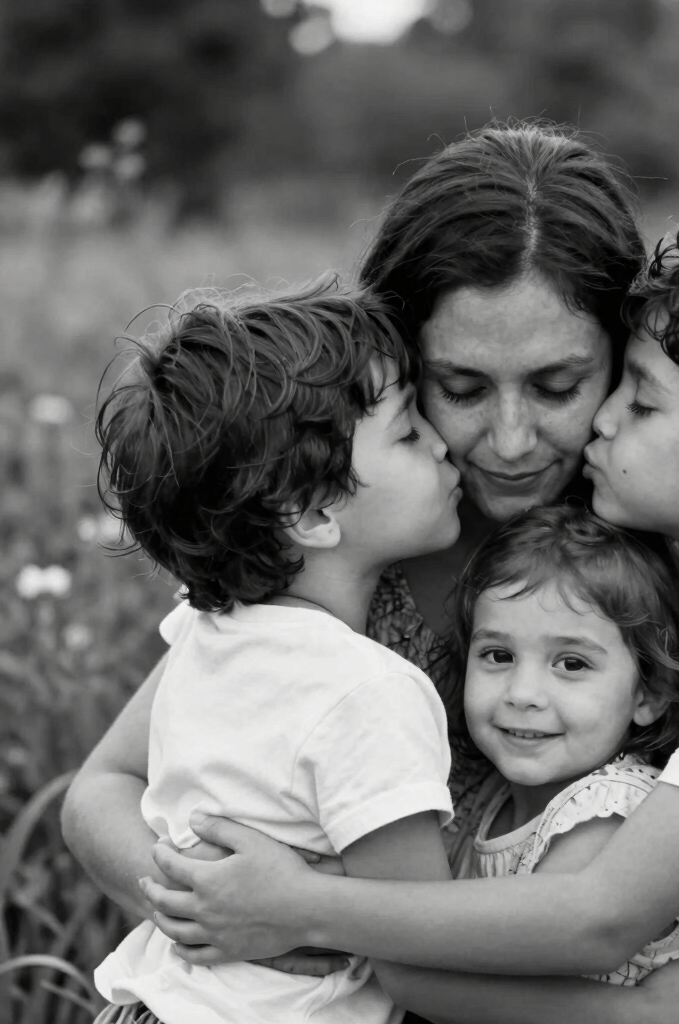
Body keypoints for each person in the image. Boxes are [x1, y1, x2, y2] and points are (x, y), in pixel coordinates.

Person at [62, 125, 679, 1023]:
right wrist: (225, 906)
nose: (510, 441)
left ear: (627, 358)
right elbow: (103, 787)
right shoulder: (325, 558)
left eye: (560, 387)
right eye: (460, 389)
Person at [88, 277, 462, 1024]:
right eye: (410, 433)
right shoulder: (368, 692)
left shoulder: (207, 630)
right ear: (317, 512)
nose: (444, 440)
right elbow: (432, 960)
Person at [445, 506, 679, 987]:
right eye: (498, 655)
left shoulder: (609, 813)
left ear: (649, 693)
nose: (522, 693)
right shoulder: (487, 798)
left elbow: (495, 978)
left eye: (571, 664)